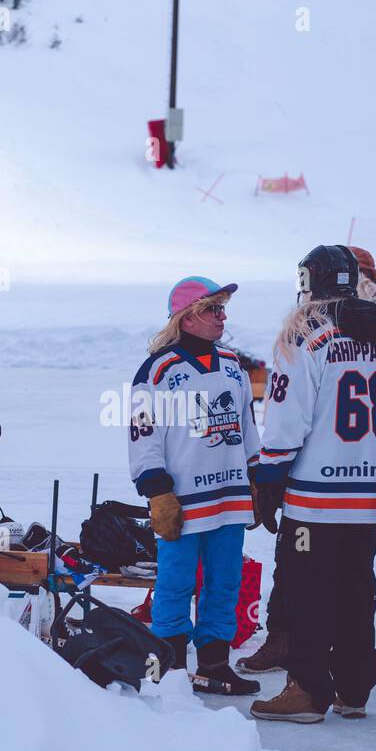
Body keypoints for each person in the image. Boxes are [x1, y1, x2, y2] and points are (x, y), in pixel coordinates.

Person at [250, 245, 376, 723]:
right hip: (367, 489)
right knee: (357, 589)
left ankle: (308, 690)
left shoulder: (305, 331)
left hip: (315, 493)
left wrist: (270, 476)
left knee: (307, 593)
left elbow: (286, 417)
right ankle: (355, 687)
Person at [129, 277, 261, 695]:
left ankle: (214, 666)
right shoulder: (157, 369)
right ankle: (168, 673)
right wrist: (156, 490)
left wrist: (257, 479)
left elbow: (246, 426)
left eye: (223, 309)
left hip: (230, 496)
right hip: (182, 500)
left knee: (224, 582)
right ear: (186, 317)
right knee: (175, 584)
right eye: (213, 309)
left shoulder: (232, 364)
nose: (222, 317)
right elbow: (142, 434)